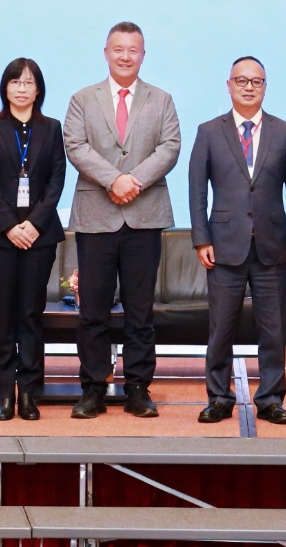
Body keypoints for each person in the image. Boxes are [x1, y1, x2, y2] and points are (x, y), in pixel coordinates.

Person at [62, 22, 181, 418]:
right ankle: (93, 388)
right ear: (106, 53)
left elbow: (170, 146)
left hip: (144, 218)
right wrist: (114, 179)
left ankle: (138, 388)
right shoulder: (83, 99)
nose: (125, 56)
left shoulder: (161, 99)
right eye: (119, 49)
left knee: (140, 311)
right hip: (96, 217)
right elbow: (75, 145)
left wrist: (135, 181)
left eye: (133, 50)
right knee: (92, 311)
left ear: (143, 55)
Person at [188, 56, 286, 426]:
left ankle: (270, 399)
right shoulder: (209, 131)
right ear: (229, 85)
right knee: (221, 329)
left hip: (272, 245)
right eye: (241, 80)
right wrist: (201, 239)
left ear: (265, 87)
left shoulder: (285, 132)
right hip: (224, 245)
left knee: (273, 330)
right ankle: (219, 397)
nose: (249, 87)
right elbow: (197, 191)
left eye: (256, 81)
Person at [0, 58, 66, 422]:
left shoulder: (51, 128)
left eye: (28, 82)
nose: (21, 88)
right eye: (15, 82)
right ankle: (4, 395)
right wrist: (10, 226)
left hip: (39, 237)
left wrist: (34, 224)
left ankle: (28, 393)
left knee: (30, 315)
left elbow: (56, 179)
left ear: (38, 89)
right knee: (3, 316)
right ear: (5, 87)